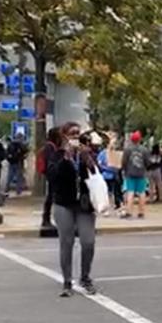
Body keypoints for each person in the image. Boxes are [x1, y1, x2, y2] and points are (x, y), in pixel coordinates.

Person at [48, 122, 100, 297]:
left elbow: (96, 174)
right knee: (66, 243)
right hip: (64, 203)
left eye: (78, 134)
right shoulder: (57, 155)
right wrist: (66, 158)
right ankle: (67, 281)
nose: (76, 137)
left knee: (88, 242)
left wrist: (88, 159)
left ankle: (85, 277)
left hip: (84, 205)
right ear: (64, 136)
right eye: (72, 134)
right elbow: (53, 177)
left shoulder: (86, 153)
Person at [121, 131, 151, 218]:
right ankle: (141, 212)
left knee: (130, 192)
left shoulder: (127, 149)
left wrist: (124, 170)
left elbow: (124, 162)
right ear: (140, 139)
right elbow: (148, 162)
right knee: (142, 192)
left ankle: (129, 212)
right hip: (141, 174)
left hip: (130, 173)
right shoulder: (144, 150)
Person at [40, 128, 63, 228]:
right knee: (51, 197)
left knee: (51, 197)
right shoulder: (50, 147)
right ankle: (46, 219)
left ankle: (47, 219)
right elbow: (52, 161)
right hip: (53, 175)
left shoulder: (50, 146)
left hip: (51, 174)